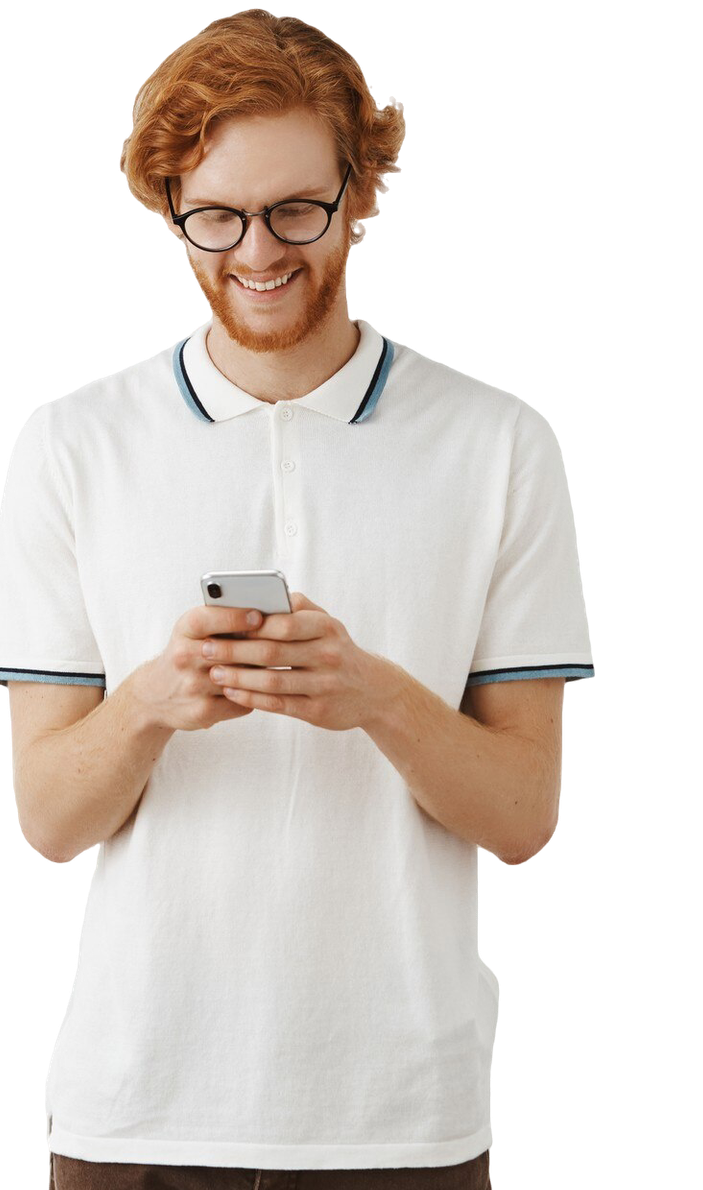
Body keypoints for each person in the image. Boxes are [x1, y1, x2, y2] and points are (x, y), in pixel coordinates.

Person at [0, 11, 594, 1190]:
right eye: (215, 215)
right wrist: (152, 702)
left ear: (361, 195)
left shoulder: (498, 442)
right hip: (134, 1111)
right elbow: (50, 821)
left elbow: (523, 817)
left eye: (296, 211)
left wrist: (374, 696)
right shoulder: (70, 444)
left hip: (401, 1119)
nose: (256, 251)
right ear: (170, 208)